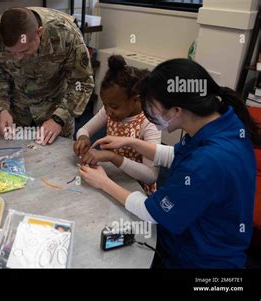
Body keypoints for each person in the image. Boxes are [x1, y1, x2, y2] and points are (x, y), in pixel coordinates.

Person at [79, 58, 259, 268]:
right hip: (196, 236)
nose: (150, 115)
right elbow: (178, 155)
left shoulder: (208, 161)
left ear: (176, 111)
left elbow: (152, 212)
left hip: (201, 260)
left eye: (153, 109)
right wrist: (132, 142)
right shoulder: (219, 121)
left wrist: (104, 182)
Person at [0, 7, 94, 145]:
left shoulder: (65, 32)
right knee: (18, 160)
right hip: (17, 113)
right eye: (12, 52)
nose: (19, 57)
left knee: (57, 160)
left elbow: (82, 82)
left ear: (39, 32)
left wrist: (59, 118)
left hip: (56, 109)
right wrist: (2, 108)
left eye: (25, 50)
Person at [74, 55, 161, 195]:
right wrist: (83, 138)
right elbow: (84, 129)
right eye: (105, 105)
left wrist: (113, 157)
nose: (108, 112)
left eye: (114, 106)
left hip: (136, 192)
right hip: (111, 179)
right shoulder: (111, 109)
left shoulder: (149, 123)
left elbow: (151, 176)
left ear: (135, 100)